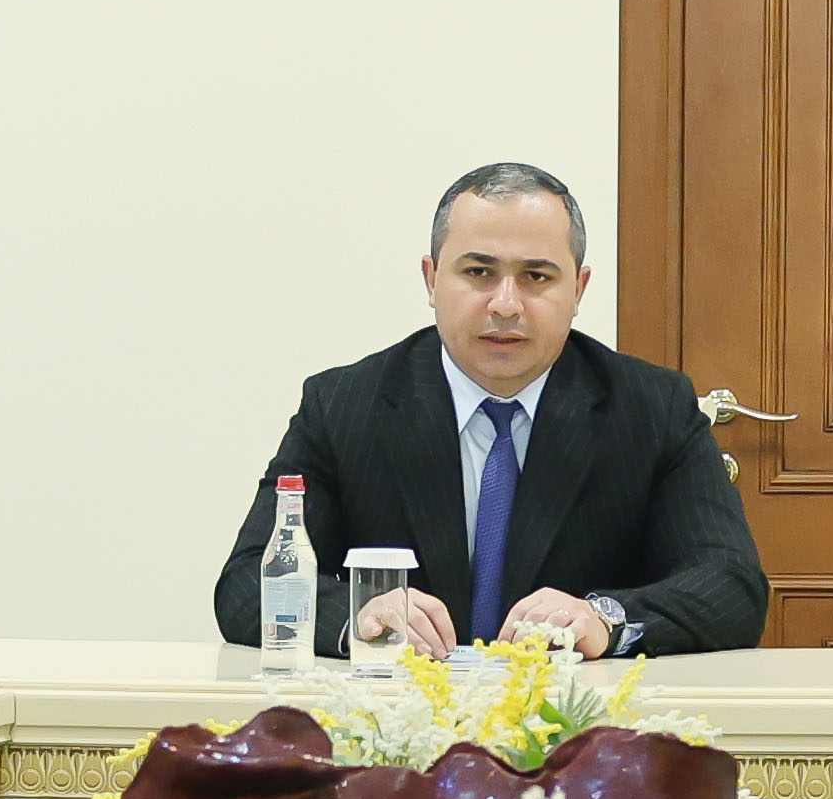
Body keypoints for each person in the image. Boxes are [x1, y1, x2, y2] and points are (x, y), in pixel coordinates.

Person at [211, 163, 765, 660]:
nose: (505, 304)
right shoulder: (343, 405)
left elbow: (732, 586)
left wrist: (605, 619)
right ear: (431, 279)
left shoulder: (652, 408)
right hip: (397, 719)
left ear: (579, 289)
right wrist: (357, 616)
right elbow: (246, 585)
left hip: (581, 719)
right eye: (478, 272)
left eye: (537, 277)